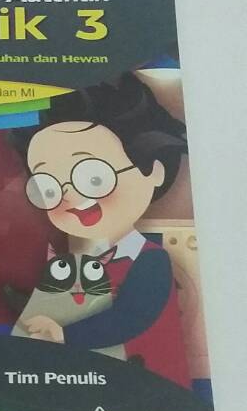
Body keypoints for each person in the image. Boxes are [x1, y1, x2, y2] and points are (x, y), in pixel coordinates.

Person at [11, 73, 191, 387]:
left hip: (149, 388)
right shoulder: (79, 264)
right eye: (49, 187)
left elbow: (130, 317)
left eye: (93, 178)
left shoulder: (151, 261)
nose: (70, 197)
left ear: (154, 169)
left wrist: (64, 334)